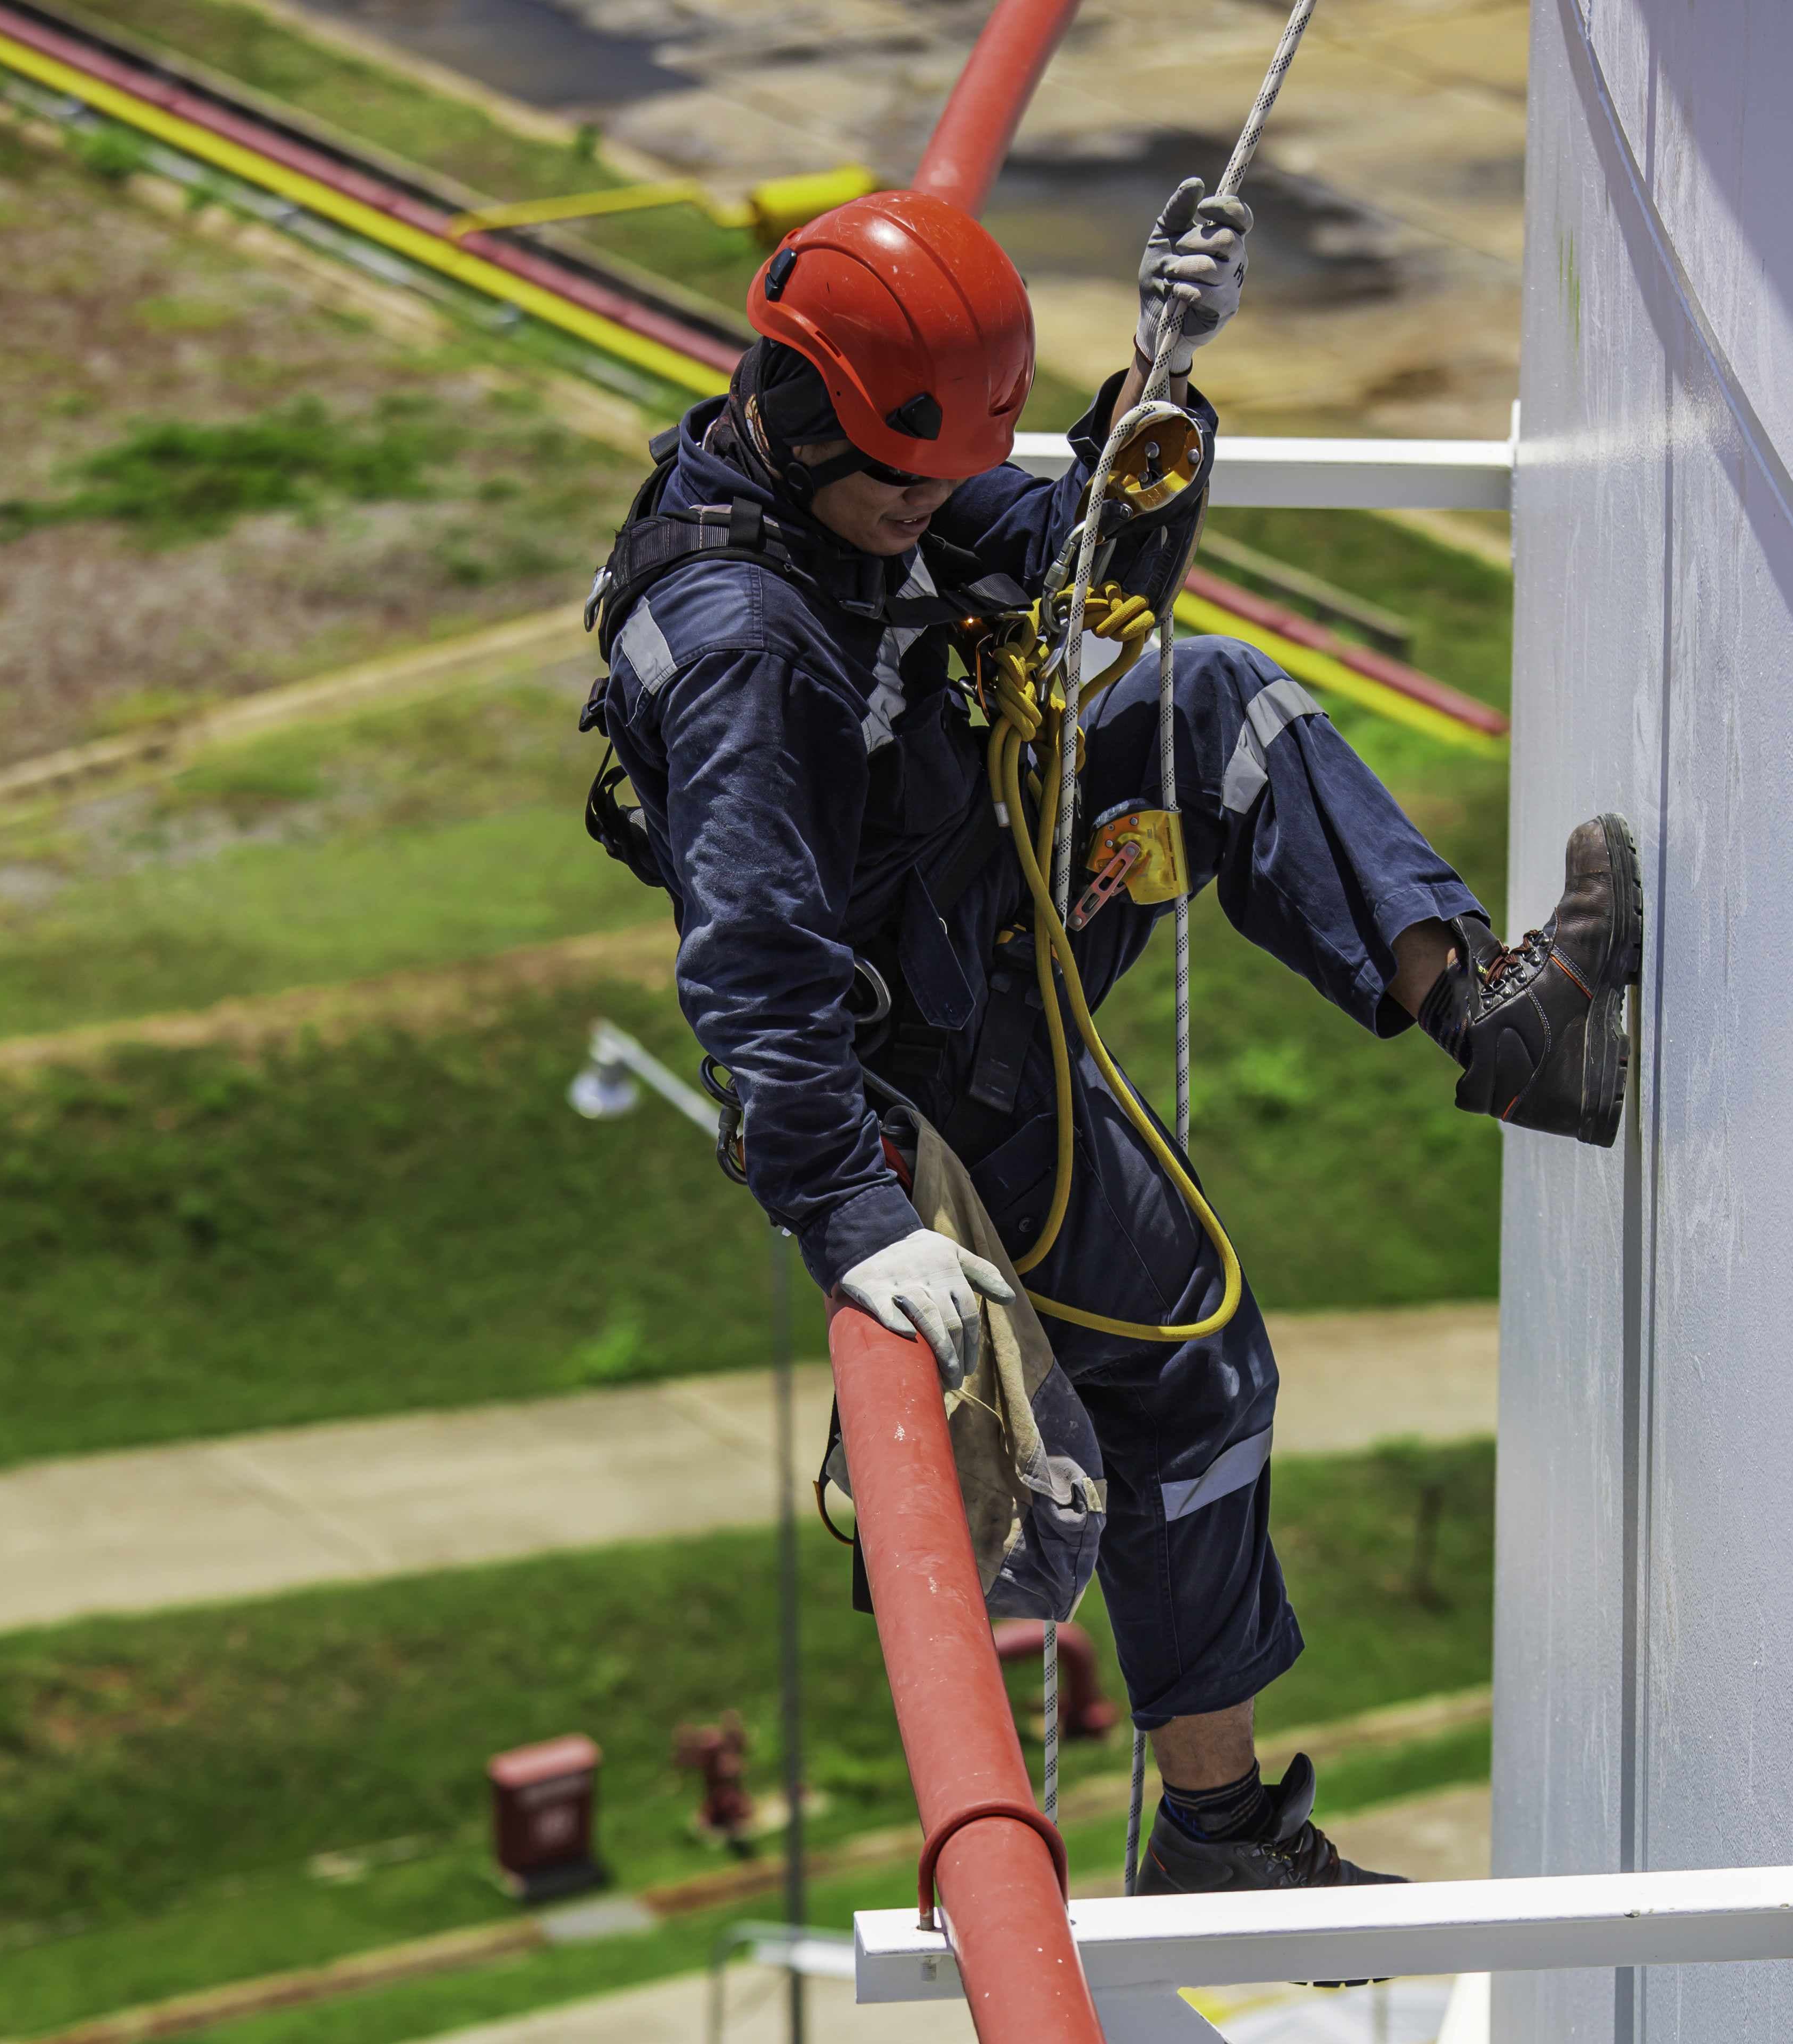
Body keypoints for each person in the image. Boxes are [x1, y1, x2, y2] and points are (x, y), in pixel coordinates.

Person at [585, 183, 1641, 1895]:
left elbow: (1079, 566)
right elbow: (757, 962)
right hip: (943, 1070)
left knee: (1215, 704)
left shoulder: (839, 485)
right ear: (801, 419)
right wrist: (856, 1218)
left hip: (982, 908)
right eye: (908, 481)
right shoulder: (746, 651)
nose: (932, 508)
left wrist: (1158, 401)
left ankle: (1501, 1024)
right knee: (1195, 1383)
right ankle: (1220, 1837)